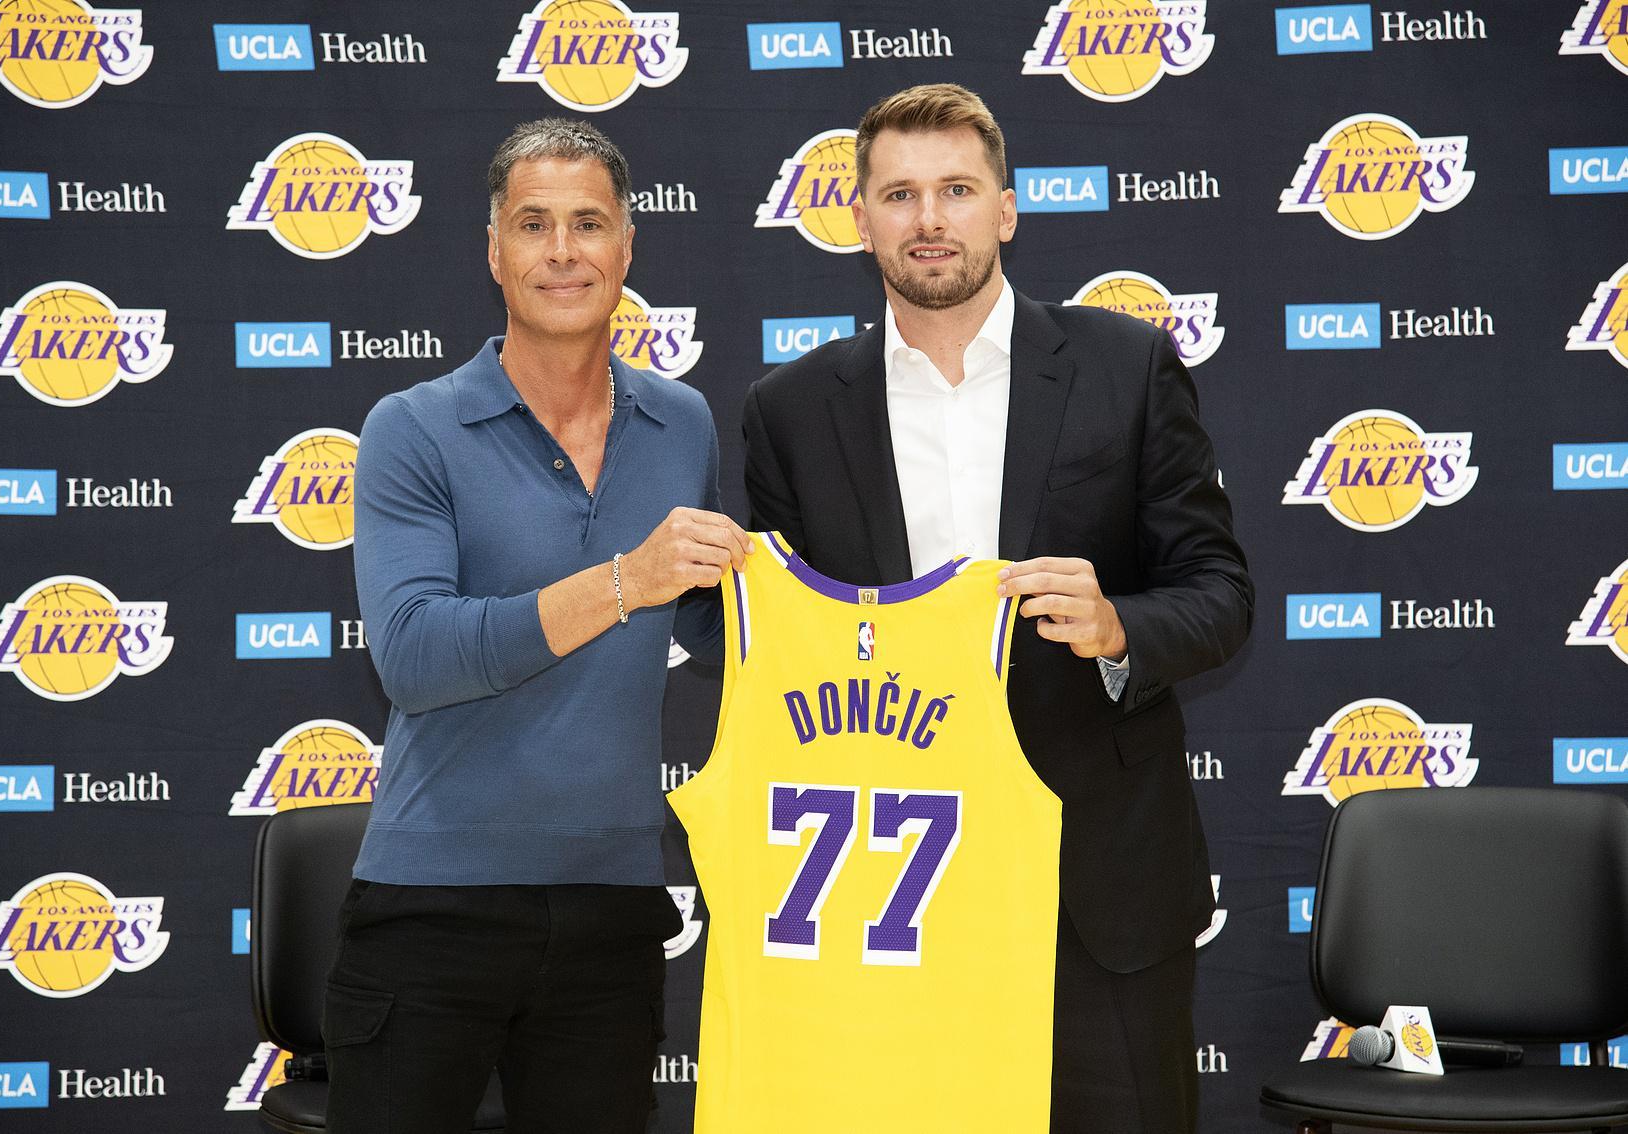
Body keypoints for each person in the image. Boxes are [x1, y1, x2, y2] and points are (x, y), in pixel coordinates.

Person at [741, 84, 1253, 1132]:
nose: (929, 218)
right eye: (899, 195)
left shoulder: (1127, 366)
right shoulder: (787, 410)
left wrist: (1117, 627)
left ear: (1006, 210)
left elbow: (1220, 593)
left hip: (1098, 883)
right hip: (888, 895)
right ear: (859, 221)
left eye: (957, 190)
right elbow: (786, 653)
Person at [324, 117, 751, 1134]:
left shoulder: (683, 422)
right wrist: (625, 580)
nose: (563, 251)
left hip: (613, 906)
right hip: (433, 904)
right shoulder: (411, 427)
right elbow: (415, 656)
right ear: (493, 251)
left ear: (627, 247)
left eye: (588, 223)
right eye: (533, 224)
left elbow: (705, 621)